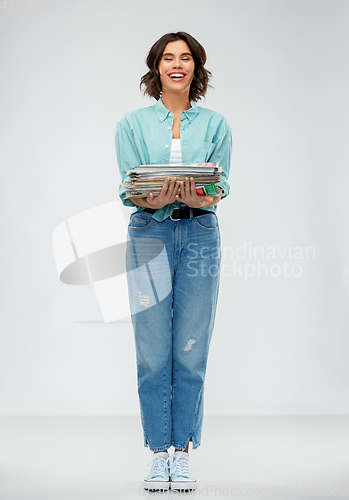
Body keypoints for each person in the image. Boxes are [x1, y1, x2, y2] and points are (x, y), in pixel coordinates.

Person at [115, 31, 232, 492]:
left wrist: (200, 195)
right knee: (152, 352)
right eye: (169, 58)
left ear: (196, 68)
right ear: (157, 67)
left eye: (186, 58)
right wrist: (153, 195)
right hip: (149, 233)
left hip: (200, 234)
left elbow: (221, 186)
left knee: (190, 350)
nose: (177, 64)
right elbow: (128, 189)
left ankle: (181, 452)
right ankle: (156, 453)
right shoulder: (131, 123)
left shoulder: (217, 124)